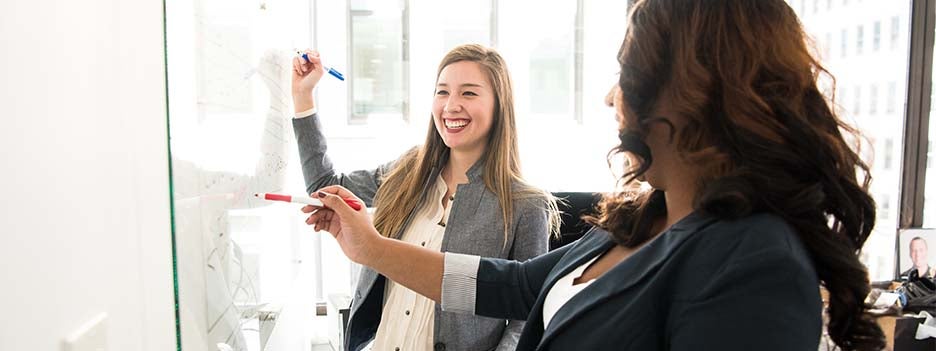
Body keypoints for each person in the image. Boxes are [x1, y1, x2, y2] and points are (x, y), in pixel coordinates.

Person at [301, 0, 886, 350]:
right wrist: (371, 248)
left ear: (692, 94)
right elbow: (514, 285)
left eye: (625, 77)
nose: (610, 99)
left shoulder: (755, 263)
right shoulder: (641, 217)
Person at [290, 44, 559, 351]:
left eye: (468, 93)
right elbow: (325, 187)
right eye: (442, 92)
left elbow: (529, 317)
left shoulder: (526, 204)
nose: (451, 105)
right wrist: (303, 96)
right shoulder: (408, 171)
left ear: (500, 105)